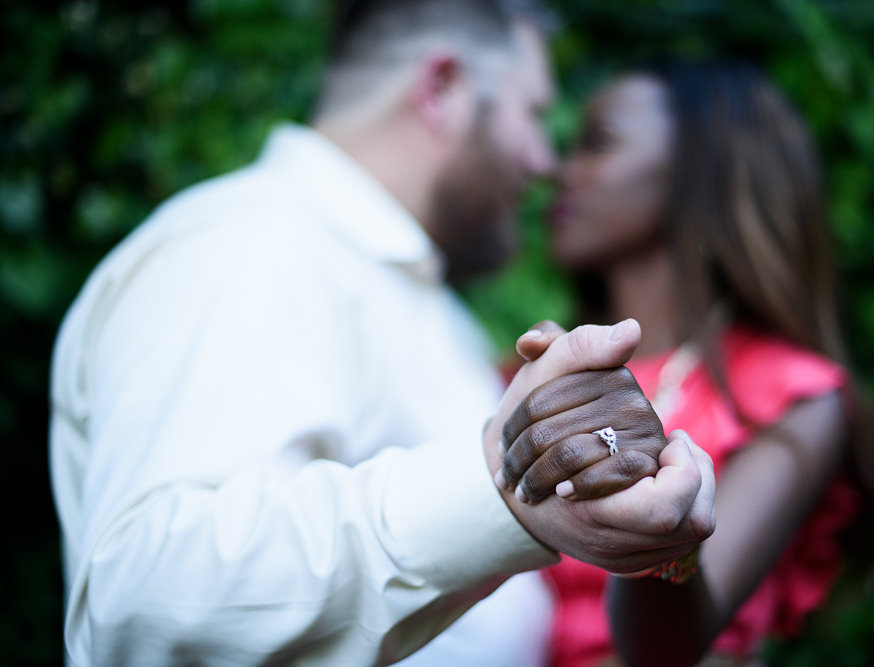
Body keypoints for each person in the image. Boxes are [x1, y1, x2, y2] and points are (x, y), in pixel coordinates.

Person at [48, 2, 717, 665]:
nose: (544, 160)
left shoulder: (422, 305)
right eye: (532, 113)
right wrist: (497, 482)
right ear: (441, 90)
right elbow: (144, 600)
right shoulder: (247, 244)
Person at [498, 59, 874, 666]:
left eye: (598, 142)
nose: (557, 170)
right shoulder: (521, 378)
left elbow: (672, 647)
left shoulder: (789, 393)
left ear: (699, 169)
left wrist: (661, 537)